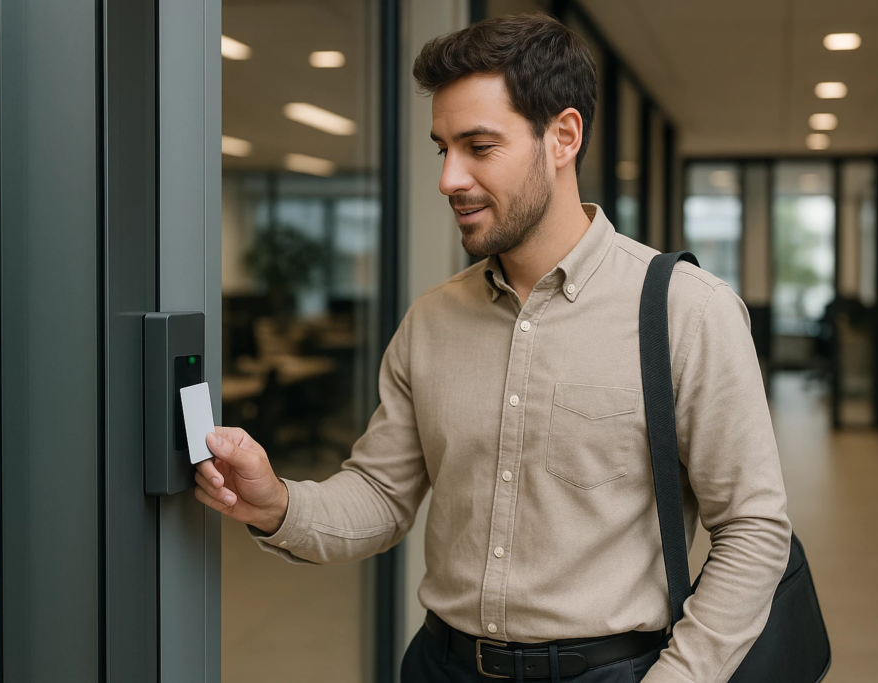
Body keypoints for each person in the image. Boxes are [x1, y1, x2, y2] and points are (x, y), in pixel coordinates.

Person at [193, 13, 791, 683]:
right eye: (441, 148)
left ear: (562, 136)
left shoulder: (689, 311)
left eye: (478, 146)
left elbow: (753, 530)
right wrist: (276, 502)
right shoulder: (432, 319)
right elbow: (382, 494)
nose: (449, 178)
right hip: (438, 665)